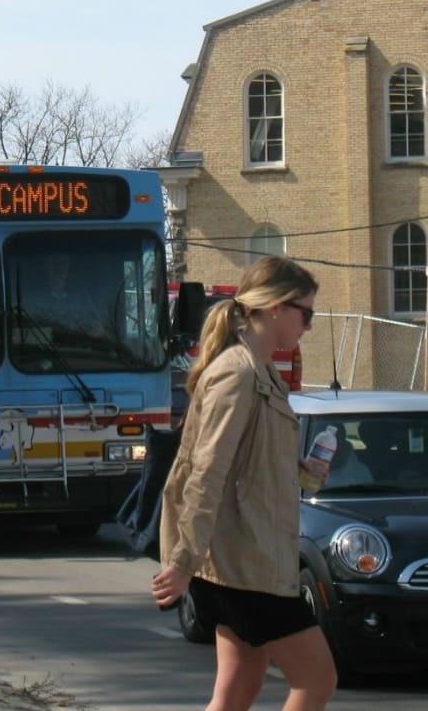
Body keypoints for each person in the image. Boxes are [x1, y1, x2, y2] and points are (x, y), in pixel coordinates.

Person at [151, 256, 336, 711]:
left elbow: (247, 460)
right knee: (317, 681)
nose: (308, 326)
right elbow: (205, 472)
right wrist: (182, 561)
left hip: (248, 561)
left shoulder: (261, 369)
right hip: (245, 566)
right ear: (274, 307)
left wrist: (303, 469)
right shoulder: (237, 373)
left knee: (237, 690)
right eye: (305, 313)